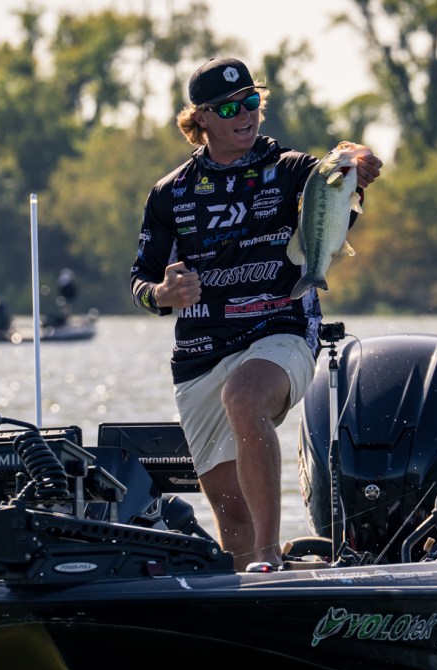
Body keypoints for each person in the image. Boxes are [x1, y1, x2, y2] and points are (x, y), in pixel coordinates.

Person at [130, 57, 382, 571]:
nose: (245, 115)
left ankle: (268, 557)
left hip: (281, 331)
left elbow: (337, 197)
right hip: (199, 352)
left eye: (251, 102)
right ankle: (258, 577)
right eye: (229, 109)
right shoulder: (169, 193)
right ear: (200, 118)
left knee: (244, 398)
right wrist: (162, 293)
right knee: (232, 518)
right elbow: (140, 282)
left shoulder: (292, 169)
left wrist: (357, 167)